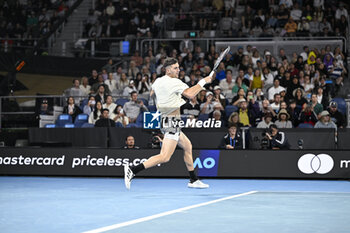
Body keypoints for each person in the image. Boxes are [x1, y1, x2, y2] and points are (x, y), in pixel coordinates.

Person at [124, 57, 213, 190]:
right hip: (171, 122)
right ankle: (133, 170)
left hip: (168, 121)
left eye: (178, 67)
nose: (178, 70)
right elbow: (190, 94)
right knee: (164, 157)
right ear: (168, 69)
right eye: (176, 68)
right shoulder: (175, 82)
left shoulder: (158, 81)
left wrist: (167, 99)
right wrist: (203, 81)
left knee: (188, 146)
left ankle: (193, 180)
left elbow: (152, 92)